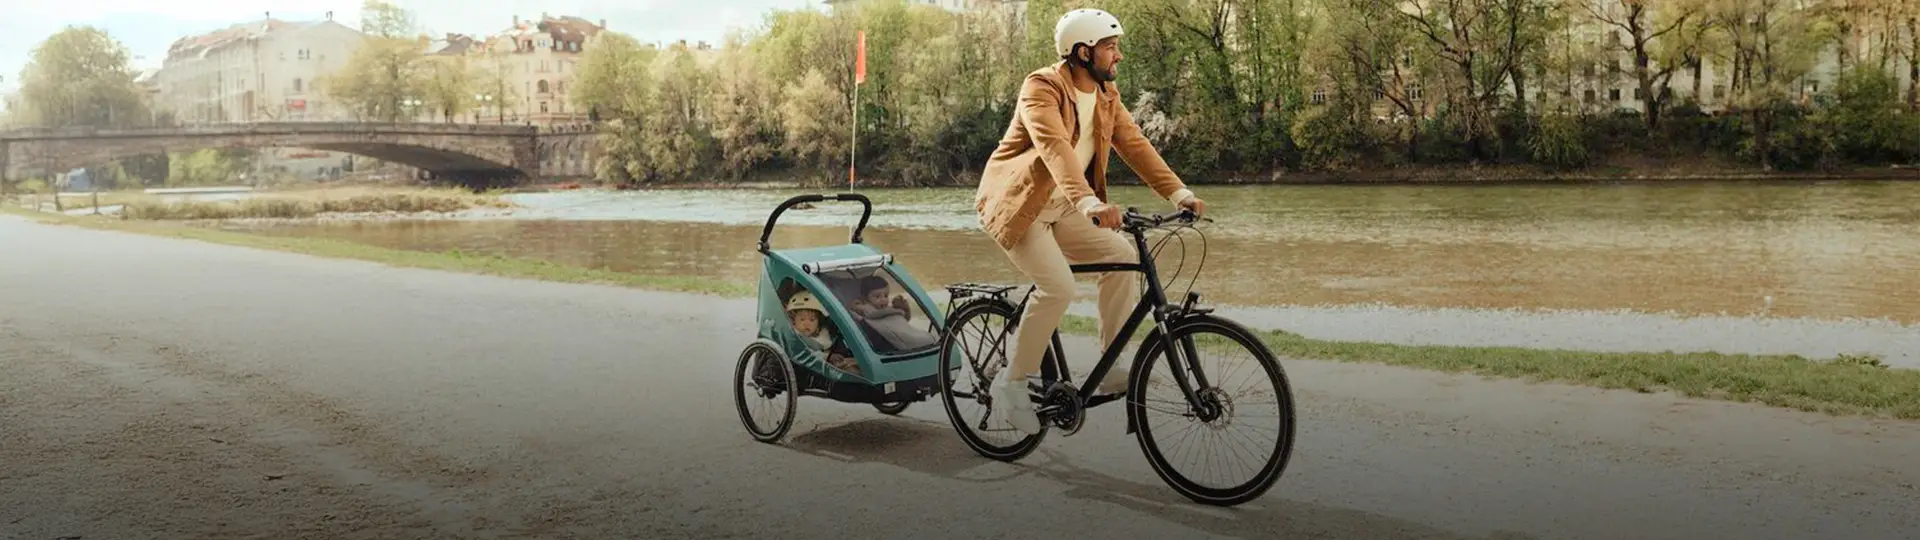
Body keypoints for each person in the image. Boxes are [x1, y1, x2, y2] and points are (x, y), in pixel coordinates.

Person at [973, 8, 1206, 435]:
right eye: (1111, 48)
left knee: (1121, 256)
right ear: (1083, 52)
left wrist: (1179, 192)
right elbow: (1053, 147)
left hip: (1064, 207)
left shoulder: (1105, 95)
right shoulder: (1041, 87)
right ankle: (1011, 383)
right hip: (1019, 208)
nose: (1118, 57)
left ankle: (1110, 362)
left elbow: (1135, 144)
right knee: (1058, 286)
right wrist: (1089, 203)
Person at [787, 290, 861, 376]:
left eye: (812, 320)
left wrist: (832, 356)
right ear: (794, 321)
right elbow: (805, 354)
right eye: (802, 319)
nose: (807, 323)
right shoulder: (794, 337)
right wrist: (828, 357)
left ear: (818, 322)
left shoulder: (824, 335)